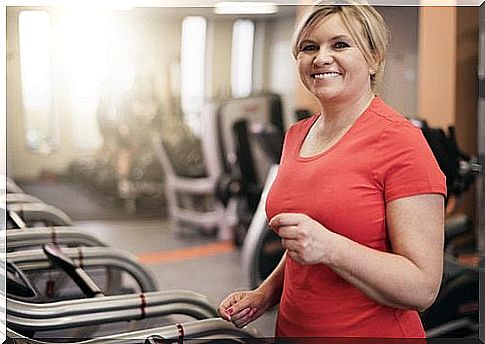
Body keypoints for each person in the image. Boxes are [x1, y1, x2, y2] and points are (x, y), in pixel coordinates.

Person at [218, 0, 446, 338]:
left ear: (373, 58)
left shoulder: (401, 142)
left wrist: (331, 247)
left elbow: (422, 288)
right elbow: (304, 244)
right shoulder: (298, 134)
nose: (320, 58)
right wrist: (266, 293)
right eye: (309, 47)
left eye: (340, 44)